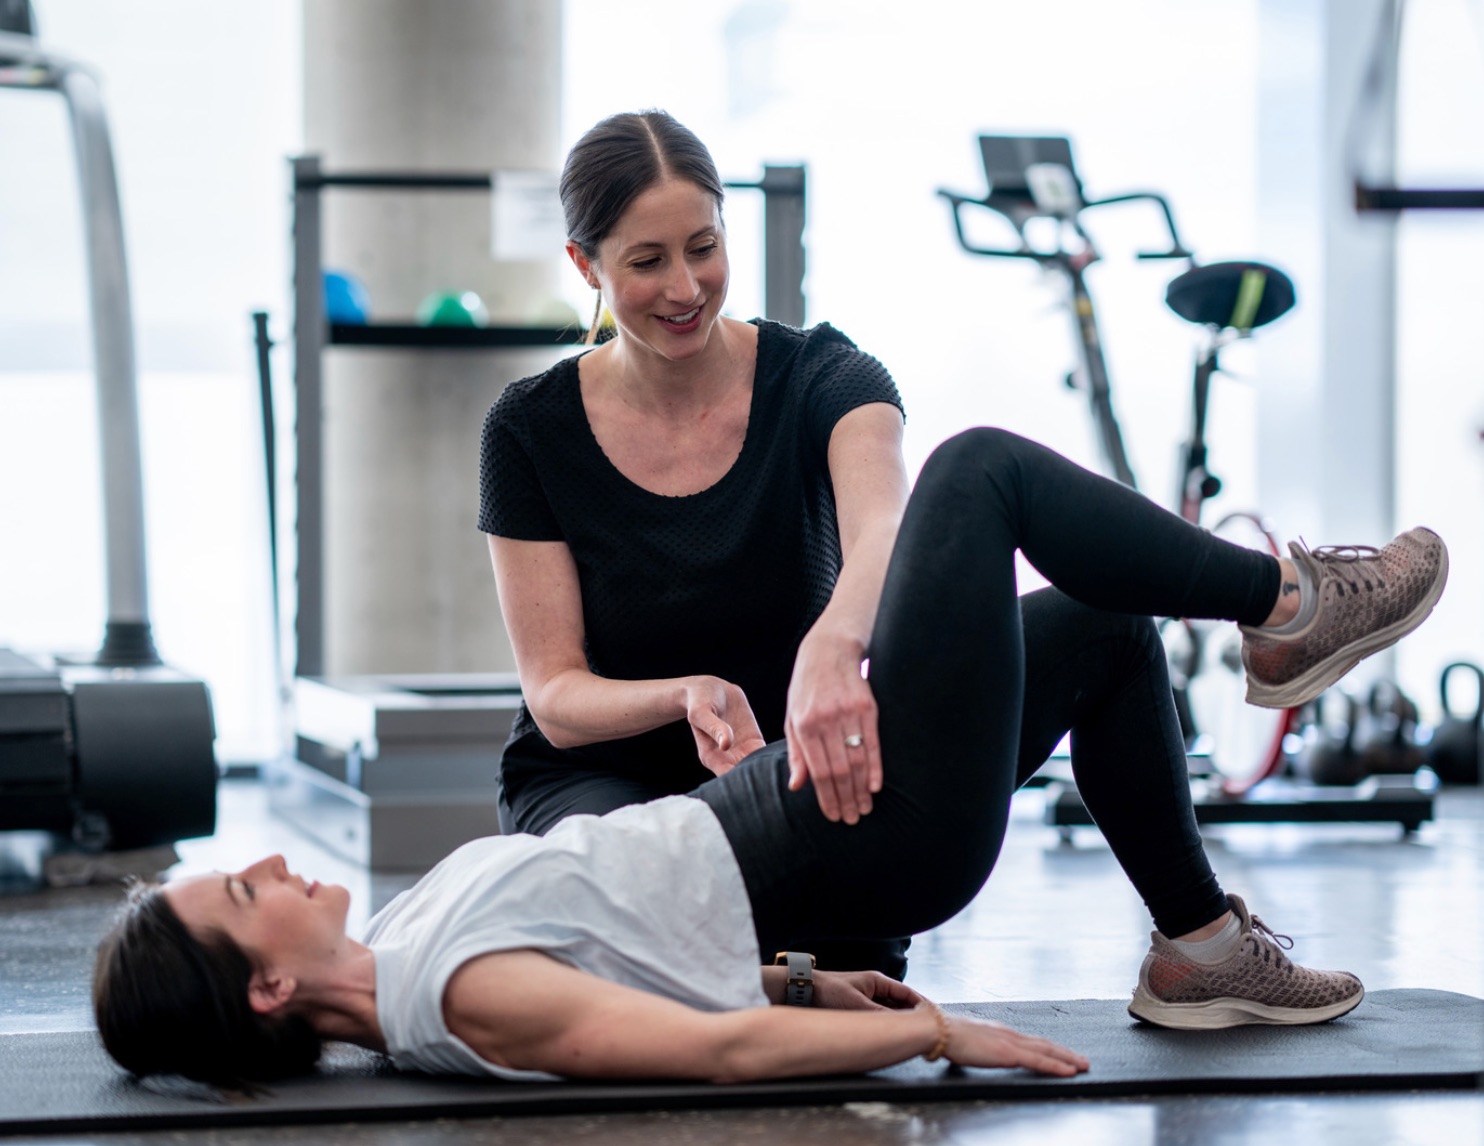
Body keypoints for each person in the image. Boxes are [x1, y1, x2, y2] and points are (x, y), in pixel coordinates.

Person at [94, 427, 1449, 1088]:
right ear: (267, 983)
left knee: (1100, 626)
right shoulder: (454, 996)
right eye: (244, 891)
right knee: (976, 474)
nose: (270, 864)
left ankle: (1199, 950)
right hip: (860, 834)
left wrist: (805, 977)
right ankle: (1286, 607)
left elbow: (618, 956)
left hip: (789, 818)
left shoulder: (404, 948)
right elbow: (709, 1050)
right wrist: (930, 1030)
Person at [479, 109, 912, 975]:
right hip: (602, 782)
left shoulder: (826, 378)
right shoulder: (528, 427)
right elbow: (556, 697)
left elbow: (887, 532)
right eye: (647, 262)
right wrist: (687, 695)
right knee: (651, 912)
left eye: (703, 247)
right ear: (585, 265)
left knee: (848, 959)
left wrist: (835, 646)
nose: (686, 288)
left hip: (783, 768)